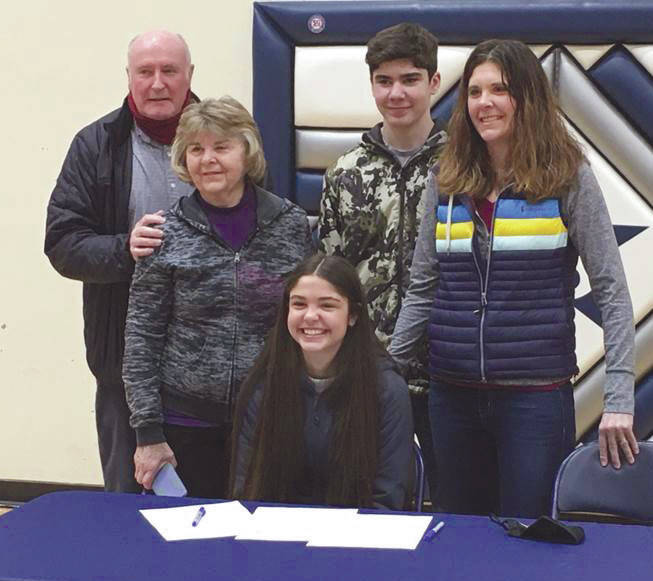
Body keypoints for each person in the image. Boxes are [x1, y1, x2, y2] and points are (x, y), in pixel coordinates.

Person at [390, 39, 638, 518]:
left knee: (528, 539)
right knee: (458, 535)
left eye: (499, 90)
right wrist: (384, 376)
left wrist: (619, 398)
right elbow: (422, 288)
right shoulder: (445, 180)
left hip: (535, 400)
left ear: (526, 96)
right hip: (453, 395)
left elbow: (610, 290)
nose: (484, 103)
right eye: (475, 92)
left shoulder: (567, 176)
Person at [122, 97, 311, 498]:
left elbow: (309, 326)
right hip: (184, 425)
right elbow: (141, 339)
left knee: (267, 543)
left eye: (221, 147)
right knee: (188, 549)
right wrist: (147, 434)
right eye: (196, 149)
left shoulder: (291, 224)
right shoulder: (164, 232)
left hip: (269, 418)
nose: (207, 159)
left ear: (248, 152)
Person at [44, 30, 197, 492]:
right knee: (128, 505)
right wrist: (122, 249)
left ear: (190, 75)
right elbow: (63, 243)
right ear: (128, 77)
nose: (157, 83)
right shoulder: (96, 144)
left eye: (169, 71)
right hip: (123, 366)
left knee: (212, 508)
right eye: (145, 72)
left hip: (214, 367)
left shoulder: (228, 138)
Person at [318, 22, 446, 505]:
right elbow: (330, 276)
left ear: (434, 83)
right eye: (384, 81)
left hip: (448, 371)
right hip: (364, 371)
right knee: (363, 503)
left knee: (455, 504)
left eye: (410, 79)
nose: (396, 93)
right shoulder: (347, 172)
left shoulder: (463, 164)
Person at [231, 255, 414, 510]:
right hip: (276, 536)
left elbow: (388, 499)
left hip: (358, 540)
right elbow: (247, 489)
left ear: (353, 315)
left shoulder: (387, 390)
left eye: (327, 306)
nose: (310, 316)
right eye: (299, 304)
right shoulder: (263, 385)